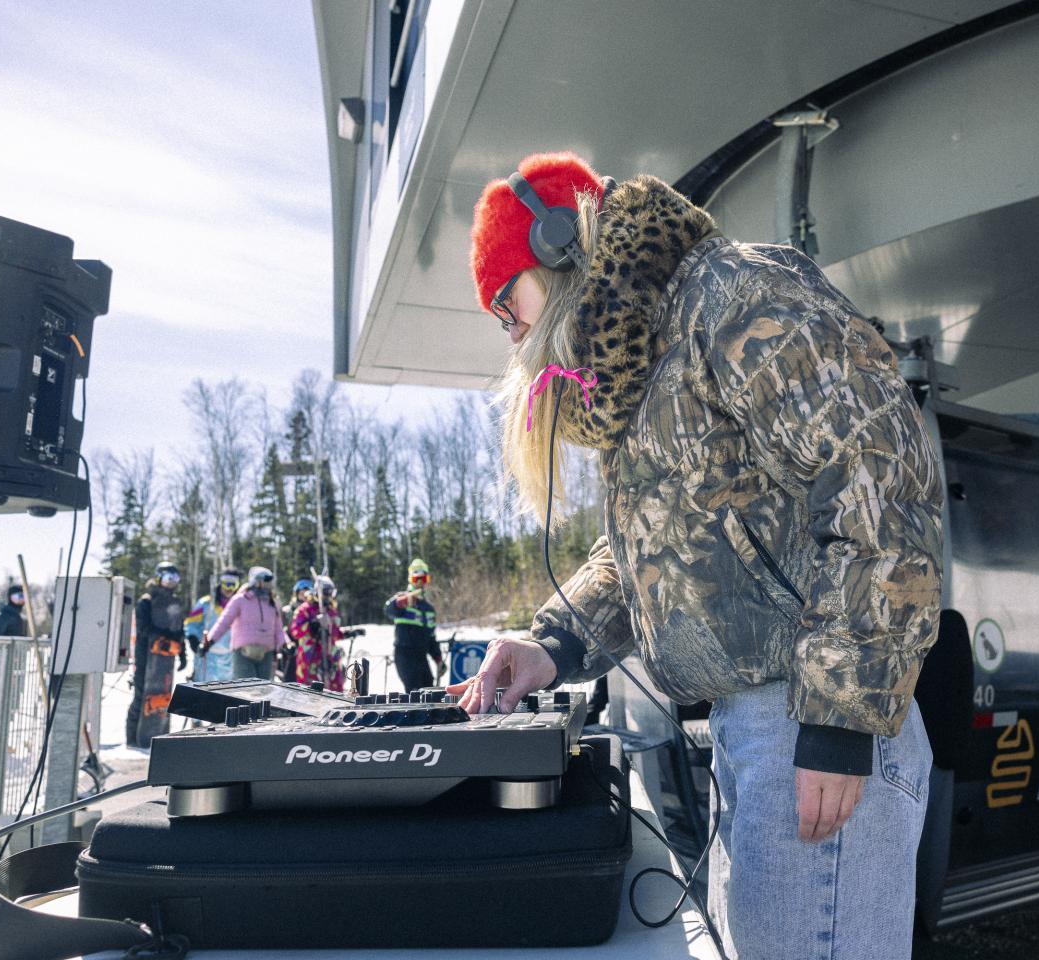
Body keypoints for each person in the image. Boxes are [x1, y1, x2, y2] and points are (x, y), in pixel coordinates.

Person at [453, 154, 943, 959]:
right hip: (752, 733)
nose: (509, 330)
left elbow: (879, 473)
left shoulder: (734, 298)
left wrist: (839, 722)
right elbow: (660, 547)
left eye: (508, 301)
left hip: (812, 722)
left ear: (561, 246)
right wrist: (551, 643)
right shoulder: (646, 367)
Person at [128, 560, 187, 748]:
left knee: (163, 696)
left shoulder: (175, 602)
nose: (171, 582)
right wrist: (163, 640)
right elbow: (144, 629)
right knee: (141, 696)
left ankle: (159, 734)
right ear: (159, 577)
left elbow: (179, 630)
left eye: (175, 578)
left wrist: (182, 651)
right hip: (147, 655)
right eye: (168, 577)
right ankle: (132, 740)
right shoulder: (146, 601)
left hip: (167, 658)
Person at [205, 566, 281, 680]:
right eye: (266, 580)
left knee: (264, 689)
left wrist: (285, 645)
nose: (269, 584)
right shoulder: (240, 600)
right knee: (245, 690)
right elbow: (224, 621)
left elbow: (278, 628)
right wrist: (210, 641)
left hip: (266, 653)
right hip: (243, 652)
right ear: (257, 581)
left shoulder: (271, 603)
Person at [384, 558, 444, 693]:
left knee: (430, 690)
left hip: (421, 655)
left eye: (423, 580)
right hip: (404, 654)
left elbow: (431, 637)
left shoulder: (428, 608)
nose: (420, 584)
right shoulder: (402, 598)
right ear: (411, 579)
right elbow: (388, 610)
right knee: (414, 692)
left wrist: (438, 658)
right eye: (416, 579)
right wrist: (400, 602)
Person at [289, 574, 345, 692]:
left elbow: (334, 632)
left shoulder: (331, 610)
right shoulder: (305, 609)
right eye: (325, 593)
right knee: (310, 691)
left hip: (330, 656)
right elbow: (295, 631)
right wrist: (311, 625)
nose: (328, 597)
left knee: (334, 689)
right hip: (310, 657)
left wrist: (346, 633)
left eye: (330, 593)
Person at [184, 569, 240, 682]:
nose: (229, 589)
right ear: (220, 584)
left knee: (227, 692)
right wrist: (193, 640)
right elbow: (191, 624)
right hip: (207, 656)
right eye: (226, 584)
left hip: (229, 658)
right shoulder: (205, 603)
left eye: (233, 585)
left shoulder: (239, 605)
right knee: (204, 691)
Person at [277, 577, 315, 682]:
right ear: (297, 593)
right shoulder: (287, 611)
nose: (305, 595)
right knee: (290, 681)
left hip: (309, 651)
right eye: (302, 592)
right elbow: (281, 629)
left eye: (307, 592)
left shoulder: (314, 610)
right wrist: (287, 644)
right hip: (291, 651)